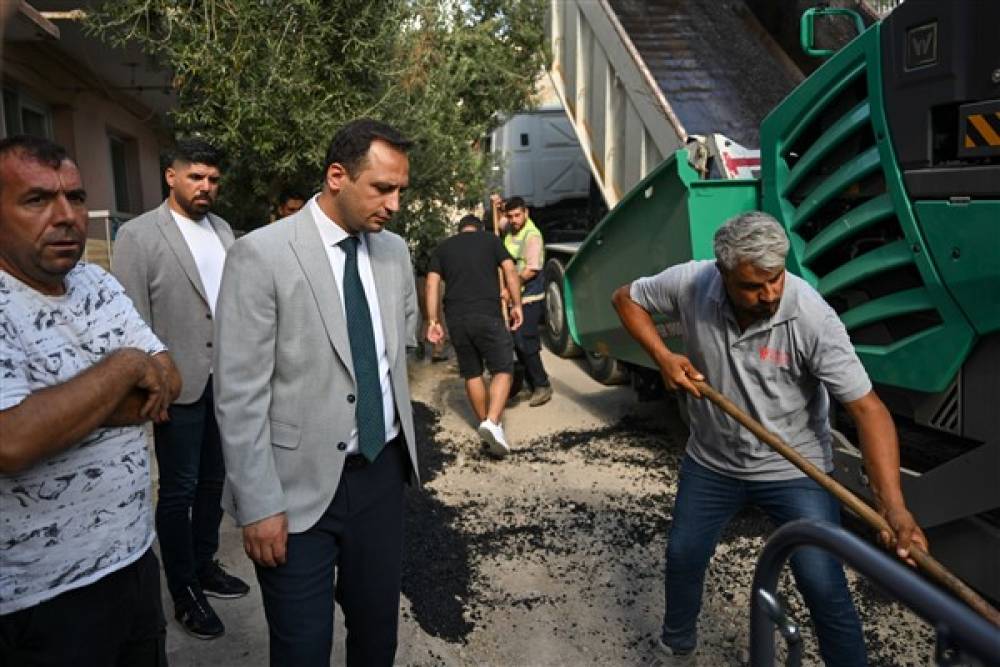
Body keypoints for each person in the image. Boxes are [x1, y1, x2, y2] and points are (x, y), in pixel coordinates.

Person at [611, 211, 928, 666]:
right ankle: (677, 644)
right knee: (683, 555)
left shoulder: (811, 316)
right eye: (753, 286)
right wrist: (663, 356)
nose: (769, 294)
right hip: (713, 462)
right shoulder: (692, 283)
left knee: (821, 581)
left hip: (794, 467)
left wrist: (893, 507)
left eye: (776, 279)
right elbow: (626, 298)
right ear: (722, 275)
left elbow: (869, 410)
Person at [213, 118, 420, 666]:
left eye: (401, 190)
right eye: (382, 188)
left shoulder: (395, 252)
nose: (395, 204)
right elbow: (239, 393)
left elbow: (397, 353)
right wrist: (257, 504)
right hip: (294, 489)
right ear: (336, 176)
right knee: (302, 648)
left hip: (379, 473)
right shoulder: (261, 254)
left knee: (377, 639)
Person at [0, 135, 181, 664]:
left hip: (133, 563)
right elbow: (14, 440)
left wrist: (61, 411)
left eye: (75, 198)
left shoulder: (96, 283)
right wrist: (125, 367)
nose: (66, 216)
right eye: (36, 200)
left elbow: (171, 379)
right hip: (40, 601)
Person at [114, 138, 249, 640]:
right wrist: (150, 388)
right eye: (196, 177)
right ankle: (183, 588)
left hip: (226, 380)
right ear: (171, 177)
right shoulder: (138, 235)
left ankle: (204, 562)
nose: (206, 187)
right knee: (178, 489)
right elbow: (129, 320)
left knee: (216, 481)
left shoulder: (222, 230)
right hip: (177, 385)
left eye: (213, 179)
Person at [425, 214, 523, 456]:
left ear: (459, 231)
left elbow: (431, 284)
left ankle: (488, 428)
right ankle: (492, 421)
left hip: (456, 318)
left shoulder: (443, 248)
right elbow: (510, 271)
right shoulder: (490, 240)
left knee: (472, 372)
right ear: (478, 229)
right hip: (487, 313)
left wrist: (433, 321)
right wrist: (517, 305)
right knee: (503, 368)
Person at [503, 196, 552, 406]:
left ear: (526, 213)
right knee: (516, 340)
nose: (513, 220)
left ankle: (542, 385)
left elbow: (531, 270)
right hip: (515, 295)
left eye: (517, 215)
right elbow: (499, 223)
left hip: (529, 295)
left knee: (525, 339)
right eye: (510, 216)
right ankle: (527, 382)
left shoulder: (532, 237)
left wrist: (509, 287)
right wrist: (496, 205)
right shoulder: (509, 228)